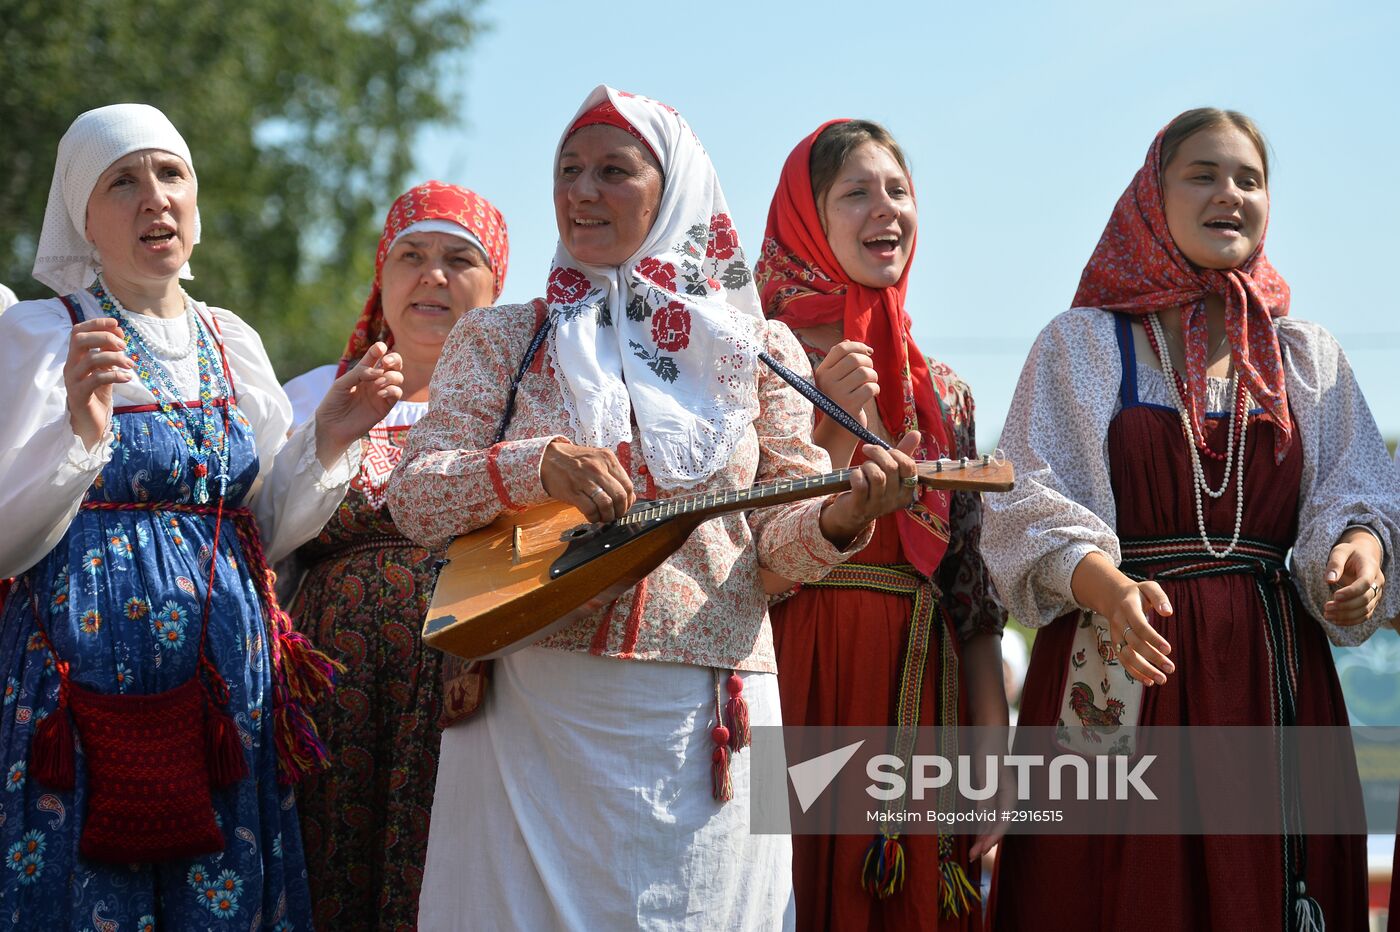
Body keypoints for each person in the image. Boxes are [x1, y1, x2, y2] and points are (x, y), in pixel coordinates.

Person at [388, 85, 923, 931]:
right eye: (568, 171)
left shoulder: (757, 353)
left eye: (613, 171)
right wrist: (541, 464)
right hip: (533, 710)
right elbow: (415, 496)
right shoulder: (502, 337)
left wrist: (840, 520)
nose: (582, 192)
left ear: (673, 191)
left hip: (703, 723)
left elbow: (773, 557)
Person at [981, 108, 1398, 931]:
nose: (1230, 194)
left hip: (1270, 676)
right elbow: (1027, 497)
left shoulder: (1304, 355)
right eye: (1203, 174)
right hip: (1120, 665)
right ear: (1153, 195)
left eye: (1249, 179)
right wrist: (1105, 586)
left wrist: (1361, 553)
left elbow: (1362, 489)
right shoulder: (1084, 343)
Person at [0, 103, 402, 928]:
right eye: (123, 181)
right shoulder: (42, 336)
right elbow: (6, 538)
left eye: (171, 174)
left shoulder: (232, 340)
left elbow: (267, 528)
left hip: (224, 692)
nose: (155, 198)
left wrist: (327, 437)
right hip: (77, 686)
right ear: (84, 214)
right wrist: (80, 430)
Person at [753, 119, 1007, 930]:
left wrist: (994, 767)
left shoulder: (946, 392)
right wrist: (828, 422)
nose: (885, 209)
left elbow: (971, 592)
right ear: (807, 219)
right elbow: (740, 546)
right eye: (856, 192)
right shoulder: (762, 359)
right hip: (798, 672)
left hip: (919, 685)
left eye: (898, 190)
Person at [282, 180, 508, 930]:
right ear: (381, 277)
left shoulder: (519, 412)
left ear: (496, 287)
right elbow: (265, 535)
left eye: (458, 259)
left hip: (467, 699)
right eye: (411, 255)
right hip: (329, 698)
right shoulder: (315, 394)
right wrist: (333, 434)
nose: (432, 276)